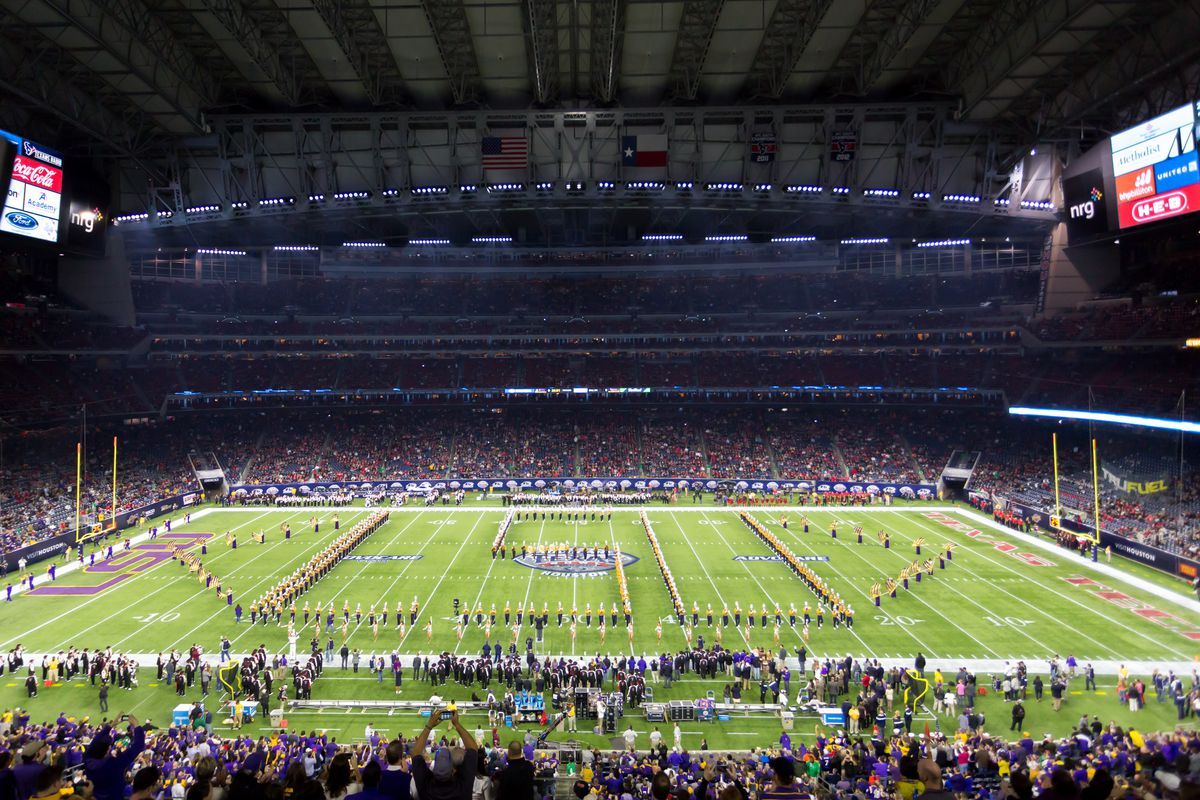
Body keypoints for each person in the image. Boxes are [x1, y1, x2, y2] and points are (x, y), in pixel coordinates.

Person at [411, 709, 477, 800]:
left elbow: (415, 753)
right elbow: (473, 748)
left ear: (433, 770)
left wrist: (429, 726)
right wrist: (457, 724)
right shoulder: (463, 787)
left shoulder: (426, 787)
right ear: (453, 770)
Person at [84, 716, 146, 800]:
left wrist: (110, 726)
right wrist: (136, 726)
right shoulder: (115, 762)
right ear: (106, 752)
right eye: (109, 747)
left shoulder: (88, 758)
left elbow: (95, 741)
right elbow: (138, 746)